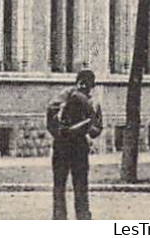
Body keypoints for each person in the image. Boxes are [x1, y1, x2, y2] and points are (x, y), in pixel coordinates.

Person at [47, 68, 103, 220]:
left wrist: (88, 128)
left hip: (72, 144)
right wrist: (60, 132)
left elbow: (96, 128)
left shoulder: (90, 101)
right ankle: (67, 217)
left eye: (88, 85)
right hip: (67, 144)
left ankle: (76, 216)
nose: (85, 88)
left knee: (74, 183)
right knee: (66, 183)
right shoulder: (67, 97)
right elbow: (52, 115)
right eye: (84, 84)